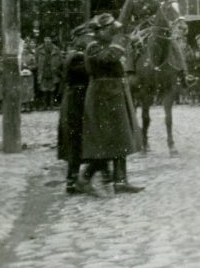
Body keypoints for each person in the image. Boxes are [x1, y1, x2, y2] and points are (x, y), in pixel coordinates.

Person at [79, 13, 143, 194]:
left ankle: (120, 181)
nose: (113, 33)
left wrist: (129, 43)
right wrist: (121, 41)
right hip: (102, 96)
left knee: (121, 137)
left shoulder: (106, 45)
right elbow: (107, 58)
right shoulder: (92, 46)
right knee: (106, 142)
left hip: (114, 94)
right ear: (99, 31)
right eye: (110, 30)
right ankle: (84, 178)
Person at [58, 22, 99, 195]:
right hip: (77, 103)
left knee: (76, 144)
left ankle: (73, 181)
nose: (91, 40)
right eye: (88, 37)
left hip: (76, 102)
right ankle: (76, 181)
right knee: (76, 143)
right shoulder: (76, 57)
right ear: (80, 39)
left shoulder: (78, 55)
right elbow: (89, 72)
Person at [35, 36, 63, 111]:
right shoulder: (39, 49)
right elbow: (36, 59)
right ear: (44, 42)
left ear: (51, 41)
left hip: (52, 71)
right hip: (43, 71)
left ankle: (51, 105)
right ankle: (44, 105)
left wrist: (56, 67)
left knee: (52, 89)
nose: (47, 43)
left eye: (49, 41)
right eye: (46, 41)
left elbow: (60, 60)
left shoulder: (56, 49)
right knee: (43, 89)